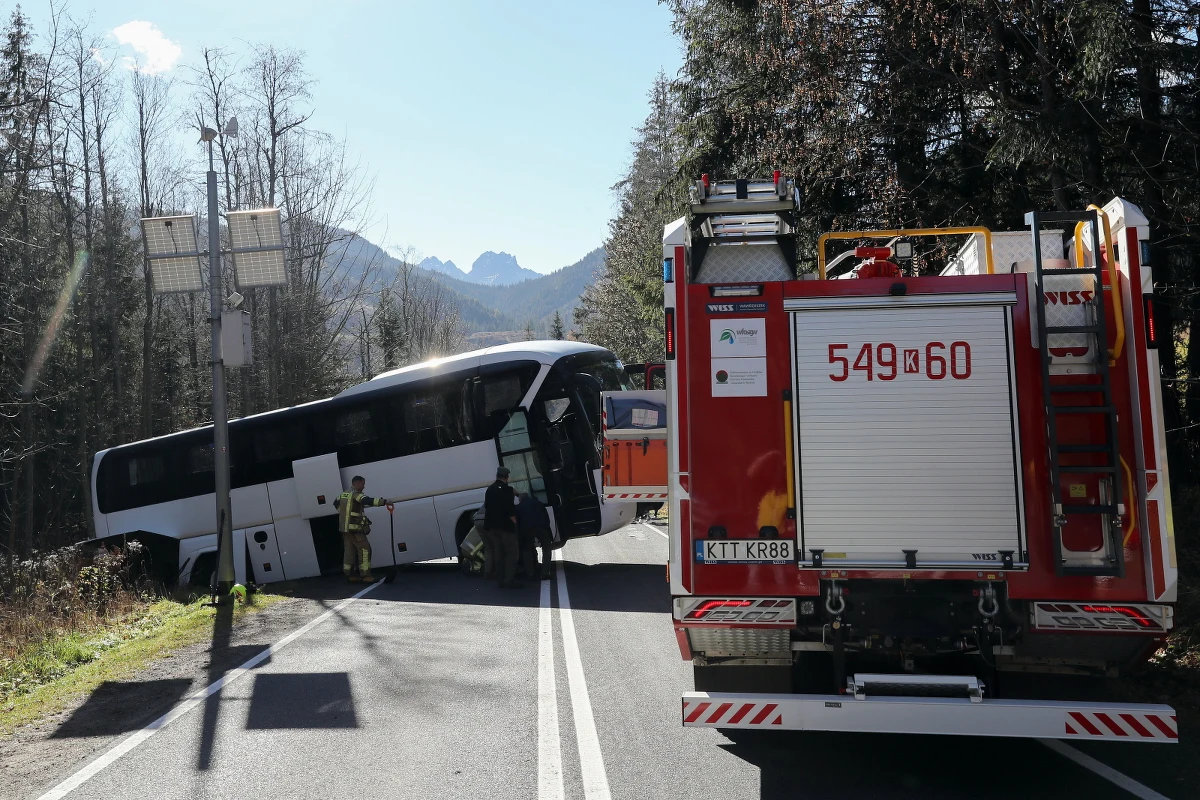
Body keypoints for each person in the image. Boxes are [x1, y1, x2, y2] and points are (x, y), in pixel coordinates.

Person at [334, 476, 388, 583]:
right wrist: (384, 502)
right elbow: (367, 500)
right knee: (365, 549)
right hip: (355, 529)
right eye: (363, 484)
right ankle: (366, 576)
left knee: (349, 551)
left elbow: (335, 503)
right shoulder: (356, 494)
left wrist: (344, 515)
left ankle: (350, 575)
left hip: (345, 529)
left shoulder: (344, 494)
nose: (364, 486)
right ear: (357, 484)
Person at [482, 466, 521, 588]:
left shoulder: (489, 489)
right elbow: (510, 510)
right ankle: (509, 580)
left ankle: (500, 580)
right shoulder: (507, 490)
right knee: (512, 553)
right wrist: (515, 523)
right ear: (507, 477)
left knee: (498, 553)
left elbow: (487, 506)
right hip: (505, 527)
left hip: (492, 528)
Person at [516, 491, 553, 580]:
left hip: (526, 530)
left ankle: (530, 573)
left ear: (520, 499)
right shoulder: (538, 503)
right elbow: (546, 517)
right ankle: (545, 572)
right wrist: (547, 529)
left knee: (526, 550)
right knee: (547, 548)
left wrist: (520, 536)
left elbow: (518, 522)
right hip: (541, 528)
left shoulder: (519, 507)